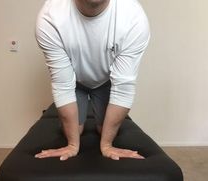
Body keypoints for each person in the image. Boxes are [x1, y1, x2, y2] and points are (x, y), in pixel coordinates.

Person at [34, 0, 150, 161]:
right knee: (77, 130)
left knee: (105, 131)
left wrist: (107, 145)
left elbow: (123, 87)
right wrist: (73, 145)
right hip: (74, 81)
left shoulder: (134, 18)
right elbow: (62, 85)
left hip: (106, 81)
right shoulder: (50, 17)